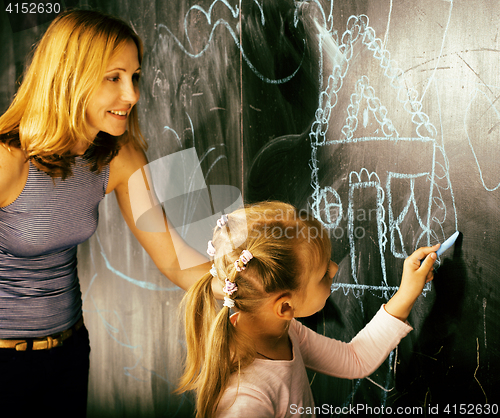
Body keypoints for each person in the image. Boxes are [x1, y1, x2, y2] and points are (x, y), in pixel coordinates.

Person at [0, 9, 211, 416]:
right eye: (113, 78)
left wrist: (250, 286)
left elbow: (175, 259)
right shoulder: (9, 160)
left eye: (134, 77)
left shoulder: (121, 157)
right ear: (69, 76)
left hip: (68, 354)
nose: (131, 95)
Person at [176, 201, 439, 418]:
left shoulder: (283, 331)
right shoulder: (245, 402)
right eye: (323, 273)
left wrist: (407, 292)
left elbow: (355, 358)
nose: (335, 269)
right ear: (286, 306)